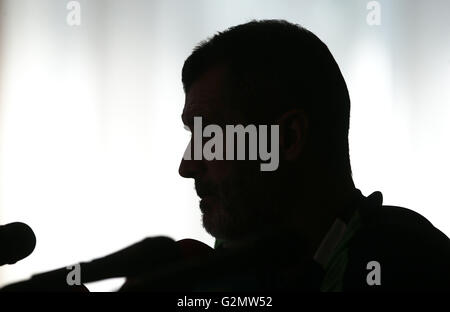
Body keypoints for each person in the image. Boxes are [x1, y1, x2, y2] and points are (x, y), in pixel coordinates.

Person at [175, 19, 450, 291]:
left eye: (210, 136)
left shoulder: (410, 268)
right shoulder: (226, 271)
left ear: (288, 138)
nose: (186, 166)